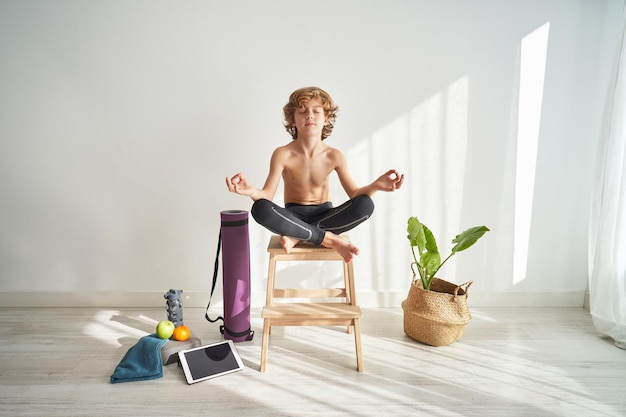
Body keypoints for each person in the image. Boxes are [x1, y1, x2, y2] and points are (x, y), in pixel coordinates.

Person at [226, 86, 404, 263]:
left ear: (326, 119)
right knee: (260, 208)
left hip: (327, 215)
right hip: (292, 216)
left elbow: (355, 195)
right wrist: (251, 192)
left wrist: (375, 186)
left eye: (316, 111)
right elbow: (267, 195)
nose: (309, 115)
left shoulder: (334, 155)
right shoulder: (282, 154)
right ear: (293, 120)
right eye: (302, 112)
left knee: (365, 204)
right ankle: (329, 239)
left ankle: (298, 235)